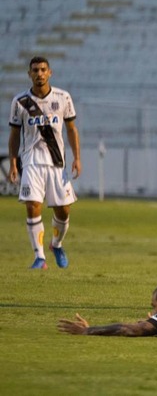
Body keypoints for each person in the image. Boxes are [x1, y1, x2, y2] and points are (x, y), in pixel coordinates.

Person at [8, 56, 82, 270]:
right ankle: (39, 257)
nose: (39, 74)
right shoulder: (20, 102)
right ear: (29, 74)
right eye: (35, 70)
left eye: (42, 70)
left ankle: (56, 245)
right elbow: (14, 134)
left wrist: (77, 157)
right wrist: (13, 162)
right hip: (31, 161)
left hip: (57, 163)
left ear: (50, 73)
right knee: (32, 205)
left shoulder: (63, 97)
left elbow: (71, 129)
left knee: (64, 211)